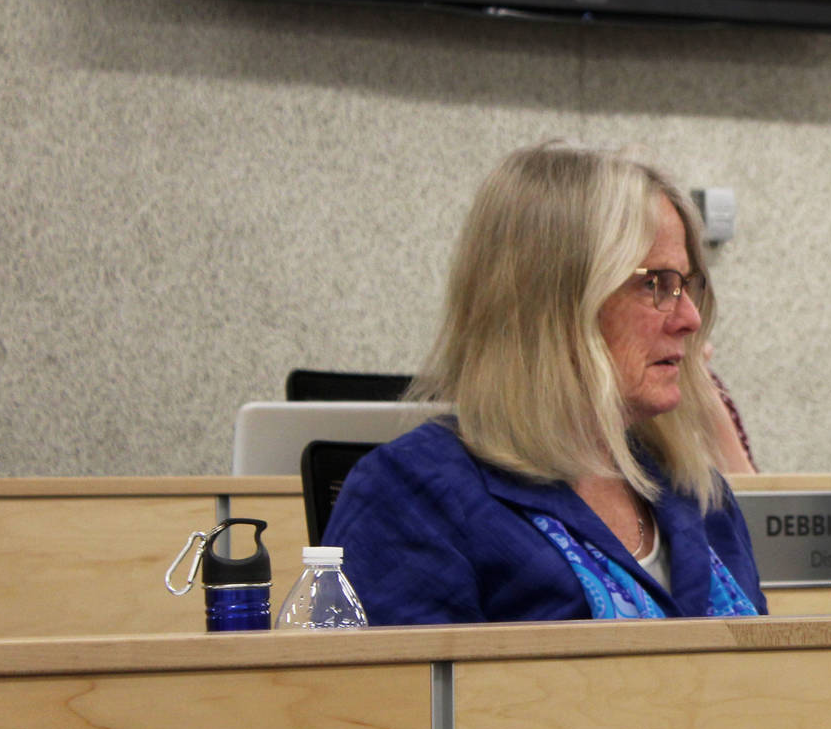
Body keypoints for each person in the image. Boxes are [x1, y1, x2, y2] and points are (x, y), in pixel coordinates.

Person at [323, 141, 766, 623]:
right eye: (654, 284)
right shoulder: (412, 495)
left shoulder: (697, 494)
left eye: (686, 284)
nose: (689, 317)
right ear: (554, 302)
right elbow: (398, 698)